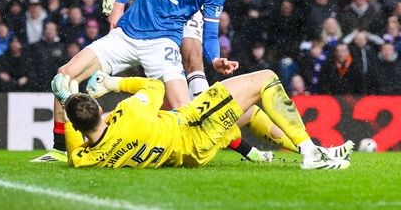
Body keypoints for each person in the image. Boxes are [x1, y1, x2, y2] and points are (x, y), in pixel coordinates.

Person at [37, 0, 250, 162]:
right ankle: (60, 149)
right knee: (63, 77)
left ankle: (238, 148)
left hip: (162, 46)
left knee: (187, 113)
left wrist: (215, 59)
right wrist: (118, 6)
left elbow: (211, 31)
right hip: (126, 36)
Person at [57, 69, 354, 169]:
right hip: (193, 125)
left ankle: (315, 149)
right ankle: (310, 153)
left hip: (189, 153)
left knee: (247, 109)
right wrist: (112, 83)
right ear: (99, 109)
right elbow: (155, 87)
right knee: (266, 79)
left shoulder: (86, 158)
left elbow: (73, 149)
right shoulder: (128, 115)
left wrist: (67, 103)